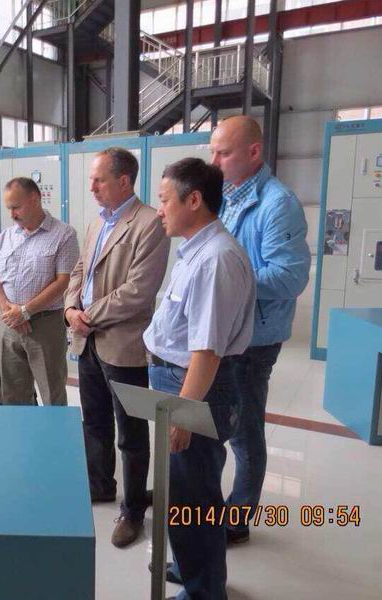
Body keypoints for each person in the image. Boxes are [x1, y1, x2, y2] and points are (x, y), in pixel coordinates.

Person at [144, 157, 255, 600]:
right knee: (183, 489)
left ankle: (205, 591)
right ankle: (192, 568)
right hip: (179, 383)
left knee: (194, 497)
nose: (159, 210)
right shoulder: (196, 250)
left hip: (194, 389)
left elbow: (206, 351)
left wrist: (183, 414)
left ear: (194, 200)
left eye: (164, 200)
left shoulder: (215, 260)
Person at [210, 116, 311, 544]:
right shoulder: (226, 197)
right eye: (212, 152)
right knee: (218, 424)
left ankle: (238, 517)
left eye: (223, 153)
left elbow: (289, 277)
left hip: (253, 340)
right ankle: (212, 504)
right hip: (222, 332)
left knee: (244, 431)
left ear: (254, 152)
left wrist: (226, 277)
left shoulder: (277, 203)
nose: (214, 161)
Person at [64, 147, 170, 548]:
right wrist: (70, 309)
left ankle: (133, 510)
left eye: (99, 180)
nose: (91, 186)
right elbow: (79, 271)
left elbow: (139, 292)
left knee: (131, 431)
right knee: (94, 421)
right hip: (87, 340)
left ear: (124, 181)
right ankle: (100, 485)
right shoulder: (98, 223)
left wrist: (87, 315)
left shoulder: (149, 223)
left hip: (122, 344)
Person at [0, 177, 79, 406]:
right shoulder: (6, 236)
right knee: (13, 393)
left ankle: (54, 431)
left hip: (45, 325)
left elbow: (63, 281)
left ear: (35, 199)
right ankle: (21, 431)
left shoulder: (63, 234)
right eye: (9, 208)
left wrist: (25, 311)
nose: (12, 214)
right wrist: (10, 312)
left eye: (16, 207)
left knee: (52, 393)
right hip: (8, 324)